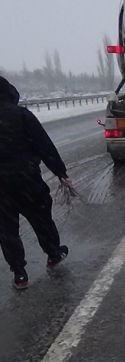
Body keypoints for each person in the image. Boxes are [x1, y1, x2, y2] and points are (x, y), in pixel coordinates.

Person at [0, 76, 71, 290]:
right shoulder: (22, 115)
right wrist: (61, 173)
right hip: (27, 180)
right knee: (41, 219)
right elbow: (44, 145)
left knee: (7, 231)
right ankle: (53, 254)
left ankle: (20, 274)